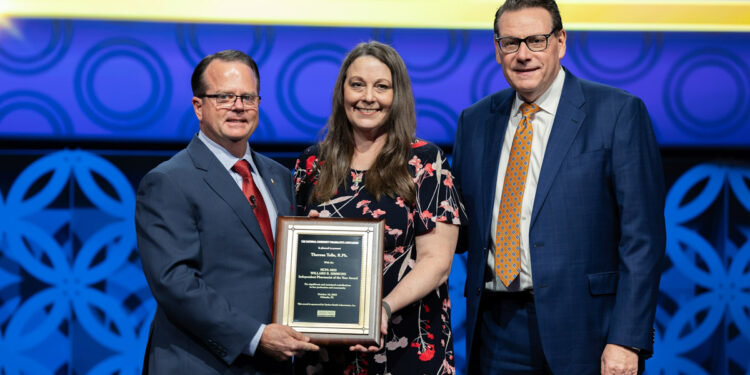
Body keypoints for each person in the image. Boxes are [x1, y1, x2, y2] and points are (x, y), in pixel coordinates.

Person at [452, 1, 666, 374]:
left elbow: (642, 239)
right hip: (495, 330)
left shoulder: (618, 112)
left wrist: (627, 339)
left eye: (536, 40)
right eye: (510, 43)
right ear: (497, 48)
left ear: (560, 42)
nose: (523, 55)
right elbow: (458, 228)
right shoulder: (475, 121)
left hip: (588, 333)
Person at [136, 49, 319, 374]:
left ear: (259, 104)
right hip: (199, 362)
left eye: (247, 97)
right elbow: (175, 283)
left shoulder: (281, 178)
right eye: (224, 97)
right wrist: (256, 335)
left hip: (271, 364)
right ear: (198, 106)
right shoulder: (168, 181)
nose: (238, 106)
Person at [292, 41, 467, 375]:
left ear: (396, 95)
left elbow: (437, 262)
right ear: (342, 91)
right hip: (327, 351)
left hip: (410, 346)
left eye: (381, 87)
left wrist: (383, 309)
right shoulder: (312, 163)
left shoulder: (425, 163)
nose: (367, 97)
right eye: (357, 84)